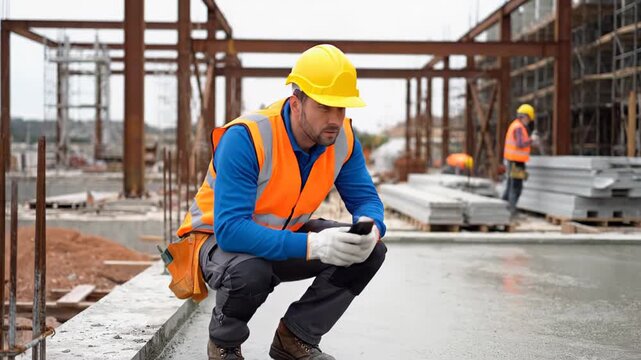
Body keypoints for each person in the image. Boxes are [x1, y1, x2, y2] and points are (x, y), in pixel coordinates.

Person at [175, 44, 387, 360]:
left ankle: (295, 337)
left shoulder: (342, 138)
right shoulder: (247, 137)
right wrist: (313, 246)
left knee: (369, 251)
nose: (335, 119)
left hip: (281, 236)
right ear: (296, 103)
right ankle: (224, 346)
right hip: (215, 242)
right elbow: (231, 230)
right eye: (324, 107)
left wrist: (372, 228)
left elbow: (366, 198)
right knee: (249, 271)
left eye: (341, 108)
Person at [502, 103, 539, 217]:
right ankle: (511, 212)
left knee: (510, 186)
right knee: (516, 187)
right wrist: (531, 140)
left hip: (512, 161)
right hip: (517, 162)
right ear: (526, 116)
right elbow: (520, 143)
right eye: (529, 119)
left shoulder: (515, 125)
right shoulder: (518, 128)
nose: (529, 121)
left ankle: (503, 209)